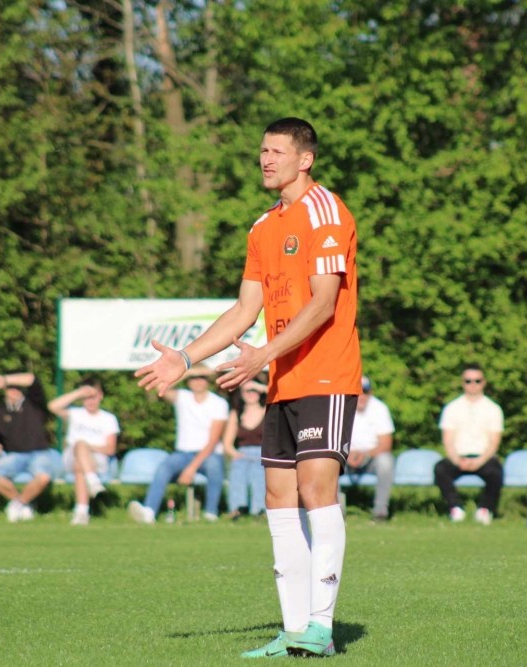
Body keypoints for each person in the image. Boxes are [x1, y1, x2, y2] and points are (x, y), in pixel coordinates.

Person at [134, 117, 360, 659]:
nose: (266, 159)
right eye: (262, 150)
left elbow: (324, 303)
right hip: (282, 381)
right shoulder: (262, 227)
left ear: (305, 159)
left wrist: (263, 354)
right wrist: (185, 358)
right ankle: (294, 628)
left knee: (316, 491)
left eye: (277, 151)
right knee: (278, 497)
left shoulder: (327, 212)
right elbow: (244, 310)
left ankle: (321, 628)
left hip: (326, 376)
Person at [129, 365, 229, 522]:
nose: (197, 381)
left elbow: (213, 441)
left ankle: (211, 513)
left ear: (208, 381)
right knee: (164, 467)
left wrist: (191, 468)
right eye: (193, 378)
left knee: (214, 467)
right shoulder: (182, 397)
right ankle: (149, 511)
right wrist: (187, 372)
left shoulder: (219, 403)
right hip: (183, 453)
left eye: (202, 378)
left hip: (209, 454)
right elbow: (160, 387)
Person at [0, 370, 56, 522]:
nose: (14, 390)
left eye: (17, 387)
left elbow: (32, 379)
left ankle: (19, 504)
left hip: (39, 452)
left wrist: (4, 379)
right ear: (5, 390)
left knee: (43, 477)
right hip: (14, 455)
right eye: (10, 388)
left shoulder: (34, 403)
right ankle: (22, 504)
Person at [433, 364, 503, 525]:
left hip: (484, 457)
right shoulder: (452, 408)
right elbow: (448, 440)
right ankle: (455, 508)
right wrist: (457, 460)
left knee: (496, 471)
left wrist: (479, 461)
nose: (473, 385)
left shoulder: (493, 409)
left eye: (477, 381)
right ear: (462, 383)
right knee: (440, 469)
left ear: (484, 382)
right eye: (468, 381)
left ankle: (485, 509)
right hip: (458, 456)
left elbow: (494, 442)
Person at [48, 376, 120, 526]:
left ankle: (81, 512)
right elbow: (52, 406)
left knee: (80, 458)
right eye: (86, 398)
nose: (90, 401)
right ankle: (93, 482)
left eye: (93, 397)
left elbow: (110, 448)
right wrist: (78, 393)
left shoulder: (109, 419)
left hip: (98, 459)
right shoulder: (75, 414)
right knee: (79, 447)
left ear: (100, 396)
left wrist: (88, 447)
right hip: (71, 456)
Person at [346, 375, 395, 521]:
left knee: (386, 461)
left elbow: (386, 444)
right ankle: (334, 511)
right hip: (344, 456)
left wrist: (365, 455)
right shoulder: (341, 407)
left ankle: (380, 512)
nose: (361, 396)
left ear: (370, 393)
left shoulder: (380, 408)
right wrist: (346, 455)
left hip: (371, 459)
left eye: (365, 392)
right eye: (357, 392)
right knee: (329, 462)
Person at [223, 377, 269, 520]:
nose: (251, 394)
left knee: (259, 473)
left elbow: (279, 394)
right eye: (247, 391)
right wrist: (234, 454)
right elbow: (227, 443)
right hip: (242, 454)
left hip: (262, 453)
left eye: (254, 390)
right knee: (238, 470)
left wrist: (261, 387)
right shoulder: (236, 414)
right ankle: (237, 508)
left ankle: (259, 509)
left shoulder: (268, 410)